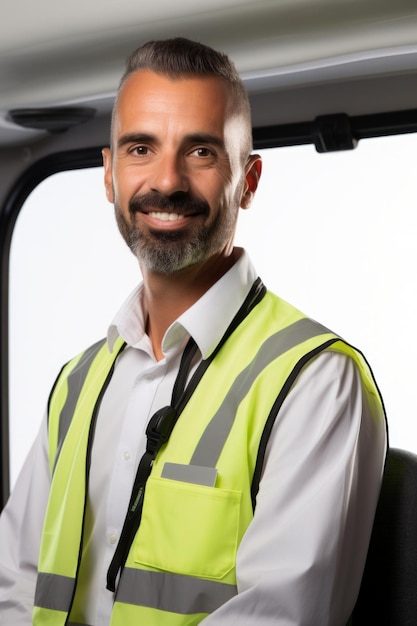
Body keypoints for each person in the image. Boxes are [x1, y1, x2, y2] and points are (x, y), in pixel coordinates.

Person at [0, 37, 387, 625]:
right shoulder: (78, 383)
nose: (167, 181)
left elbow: (279, 617)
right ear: (109, 176)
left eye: (201, 151)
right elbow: (14, 585)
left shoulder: (315, 382)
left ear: (249, 181)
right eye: (140, 148)